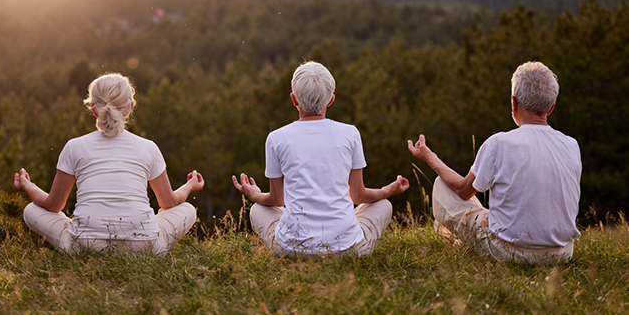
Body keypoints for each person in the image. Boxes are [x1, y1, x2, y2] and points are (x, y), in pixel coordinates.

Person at [408, 61, 581, 264]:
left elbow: (463, 191)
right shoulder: (571, 145)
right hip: (562, 253)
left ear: (513, 102)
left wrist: (430, 157)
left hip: (508, 252)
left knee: (442, 186)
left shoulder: (499, 143)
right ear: (551, 107)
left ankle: (460, 243)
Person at [13, 73, 204, 256]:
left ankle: (78, 240)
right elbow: (168, 203)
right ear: (131, 107)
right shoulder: (148, 148)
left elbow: (53, 205)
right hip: (143, 246)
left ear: (93, 109)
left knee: (31, 209)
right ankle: (146, 238)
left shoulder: (74, 147)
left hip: (85, 246)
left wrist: (28, 186)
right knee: (186, 209)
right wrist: (189, 186)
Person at [233, 61, 409, 257]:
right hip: (348, 250)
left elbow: (277, 199)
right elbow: (358, 196)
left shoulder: (276, 138)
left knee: (258, 209)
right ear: (331, 100)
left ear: (294, 100)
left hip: (291, 251)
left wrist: (253, 194)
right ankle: (346, 238)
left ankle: (293, 245)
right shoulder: (349, 133)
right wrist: (388, 190)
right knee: (384, 204)